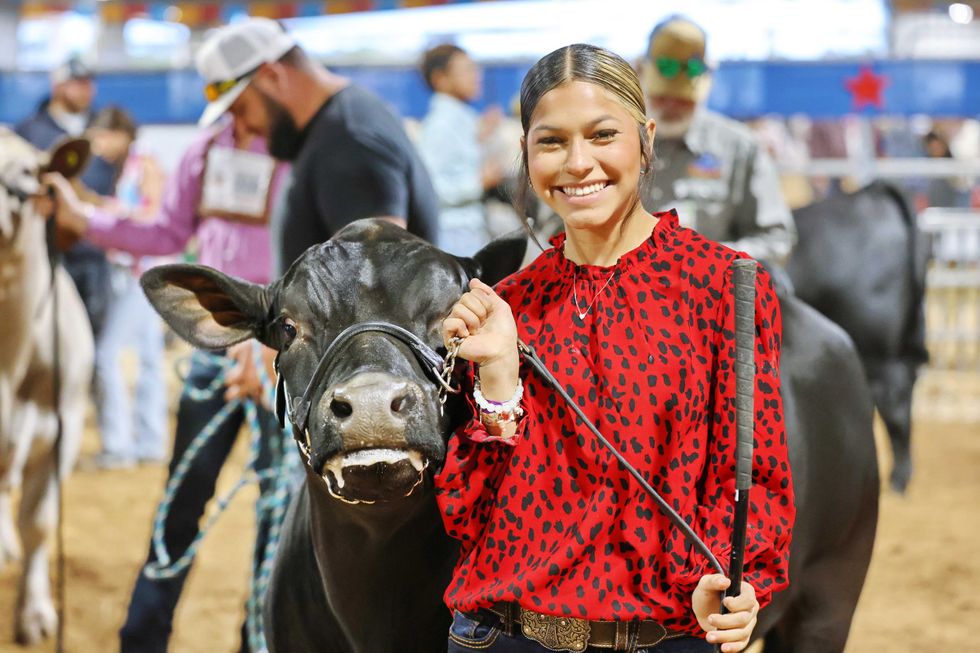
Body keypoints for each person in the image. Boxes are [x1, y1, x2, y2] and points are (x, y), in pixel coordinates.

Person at [437, 44, 794, 653]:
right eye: (551, 142)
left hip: (662, 637)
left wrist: (738, 581)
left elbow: (755, 475)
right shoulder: (507, 305)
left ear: (645, 139)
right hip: (502, 636)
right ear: (526, 154)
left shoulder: (725, 287)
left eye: (603, 135)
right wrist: (498, 376)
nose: (579, 163)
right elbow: (469, 516)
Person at [47, 109, 289, 653]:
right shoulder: (202, 153)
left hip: (280, 355)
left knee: (279, 509)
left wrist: (275, 343)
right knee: (181, 500)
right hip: (215, 350)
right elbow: (166, 231)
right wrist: (85, 218)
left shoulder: (300, 152)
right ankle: (143, 637)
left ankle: (258, 639)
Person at [194, 17, 440, 273]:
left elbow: (378, 284)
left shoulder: (349, 141)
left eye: (240, 109)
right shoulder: (334, 127)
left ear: (272, 76)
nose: (242, 128)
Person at [638, 17, 796, 265]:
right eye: (663, 98)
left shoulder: (740, 148)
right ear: (641, 72)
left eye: (682, 101)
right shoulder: (612, 141)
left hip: (712, 295)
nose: (672, 108)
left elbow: (777, 240)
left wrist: (706, 260)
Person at [84, 106, 169, 469]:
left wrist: (103, 209)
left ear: (119, 133)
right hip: (140, 271)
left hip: (143, 272)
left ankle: (119, 445)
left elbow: (154, 216)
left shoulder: (144, 163)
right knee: (149, 359)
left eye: (101, 137)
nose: (97, 146)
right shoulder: (132, 164)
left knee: (106, 355)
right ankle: (149, 444)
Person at [15, 54, 116, 337]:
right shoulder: (29, 130)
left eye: (89, 83)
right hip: (50, 251)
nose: (87, 90)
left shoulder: (104, 126)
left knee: (95, 337)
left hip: (95, 251)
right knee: (49, 335)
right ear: (58, 85)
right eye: (78, 83)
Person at [417, 43, 503, 256]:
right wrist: (479, 182)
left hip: (467, 231)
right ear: (440, 79)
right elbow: (429, 188)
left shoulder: (461, 119)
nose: (476, 76)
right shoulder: (440, 125)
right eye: (466, 71)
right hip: (453, 235)